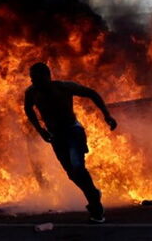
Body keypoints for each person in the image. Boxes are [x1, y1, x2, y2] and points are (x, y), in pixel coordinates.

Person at [24, 62, 117, 224]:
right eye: (32, 79)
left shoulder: (64, 87)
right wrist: (40, 130)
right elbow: (28, 109)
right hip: (56, 136)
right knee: (72, 174)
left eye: (36, 78)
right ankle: (93, 193)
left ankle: (95, 205)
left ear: (47, 77)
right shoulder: (32, 92)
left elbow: (92, 93)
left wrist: (107, 115)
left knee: (77, 166)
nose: (33, 82)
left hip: (73, 131)